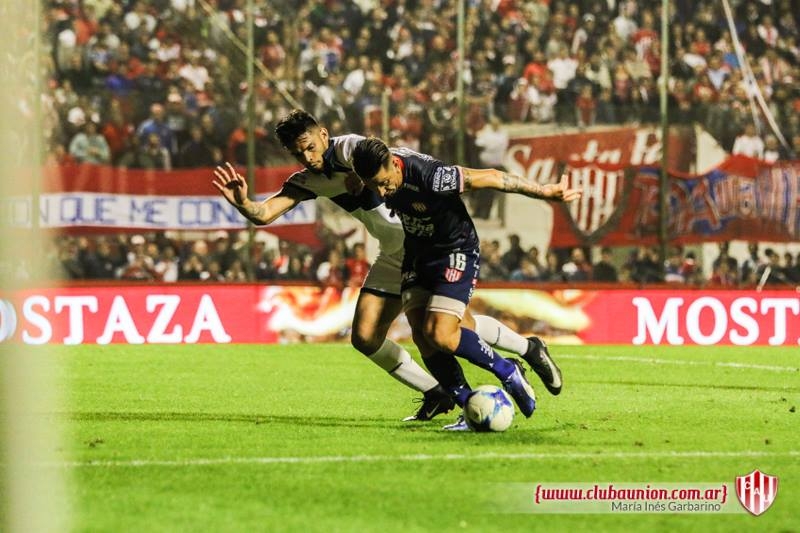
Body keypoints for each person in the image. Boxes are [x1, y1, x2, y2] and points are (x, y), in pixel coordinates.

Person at [212, 109, 544, 422]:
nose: (308, 158)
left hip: (424, 243)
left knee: (447, 330)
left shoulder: (349, 149)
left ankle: (522, 352)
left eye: (310, 147)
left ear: (324, 135)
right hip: (392, 252)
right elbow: (264, 214)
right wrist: (243, 203)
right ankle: (437, 392)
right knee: (366, 337)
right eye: (298, 153)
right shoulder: (309, 181)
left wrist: (358, 175)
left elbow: (380, 152)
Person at [351, 137, 580, 430]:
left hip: (454, 251)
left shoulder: (431, 176)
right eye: (374, 186)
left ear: (394, 164)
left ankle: (507, 370)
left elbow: (493, 177)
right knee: (423, 334)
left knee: (442, 334)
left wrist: (543, 192)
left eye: (384, 183)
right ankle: (470, 404)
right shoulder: (374, 170)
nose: (382, 192)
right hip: (417, 255)